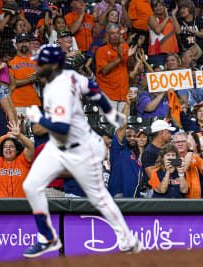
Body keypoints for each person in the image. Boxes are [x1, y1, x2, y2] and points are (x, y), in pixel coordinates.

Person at [22, 45, 141, 257]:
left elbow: (62, 127)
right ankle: (48, 237)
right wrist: (111, 113)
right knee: (31, 185)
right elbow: (94, 90)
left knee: (99, 198)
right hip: (60, 145)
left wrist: (38, 119)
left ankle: (128, 239)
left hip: (82, 147)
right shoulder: (69, 78)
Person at [0, 119, 34, 198]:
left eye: (11, 146)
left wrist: (19, 135)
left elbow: (31, 147)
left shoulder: (24, 160)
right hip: (1, 205)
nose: (8, 149)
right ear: (2, 150)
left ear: (17, 150)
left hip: (21, 205)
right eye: (5, 147)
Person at [96, 23, 137, 112]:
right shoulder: (101, 50)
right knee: (108, 125)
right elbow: (104, 71)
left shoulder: (125, 47)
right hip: (108, 94)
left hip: (123, 94)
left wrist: (130, 57)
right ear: (107, 35)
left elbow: (130, 67)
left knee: (123, 124)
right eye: (112, 33)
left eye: (117, 33)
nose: (115, 35)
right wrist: (119, 58)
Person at [108, 91, 142, 198]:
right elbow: (122, 125)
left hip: (133, 198)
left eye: (134, 136)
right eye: (128, 136)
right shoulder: (118, 150)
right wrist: (127, 104)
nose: (132, 138)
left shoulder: (135, 156)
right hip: (119, 196)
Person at [172, 131, 203, 198]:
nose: (180, 144)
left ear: (187, 143)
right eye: (177, 142)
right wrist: (191, 149)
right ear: (173, 143)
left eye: (183, 141)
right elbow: (185, 167)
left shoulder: (195, 158)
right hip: (178, 199)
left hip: (195, 200)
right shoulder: (170, 158)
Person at [8, 33, 41, 114]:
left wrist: (39, 77)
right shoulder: (10, 61)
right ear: (16, 45)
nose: (24, 44)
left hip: (34, 102)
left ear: (30, 44)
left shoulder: (36, 60)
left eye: (26, 42)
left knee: (35, 127)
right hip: (16, 103)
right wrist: (29, 80)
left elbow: (44, 80)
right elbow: (12, 83)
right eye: (21, 42)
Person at [141, 119, 174, 195]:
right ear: (162, 132)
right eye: (168, 132)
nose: (170, 135)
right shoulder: (149, 152)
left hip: (168, 188)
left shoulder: (168, 150)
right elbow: (152, 177)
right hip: (155, 191)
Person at [147, 0, 179, 66]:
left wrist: (173, 16)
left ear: (164, 6)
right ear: (153, 8)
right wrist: (167, 18)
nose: (158, 8)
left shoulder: (171, 19)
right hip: (157, 53)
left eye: (160, 5)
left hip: (172, 52)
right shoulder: (152, 18)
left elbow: (178, 31)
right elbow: (158, 30)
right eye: (155, 6)